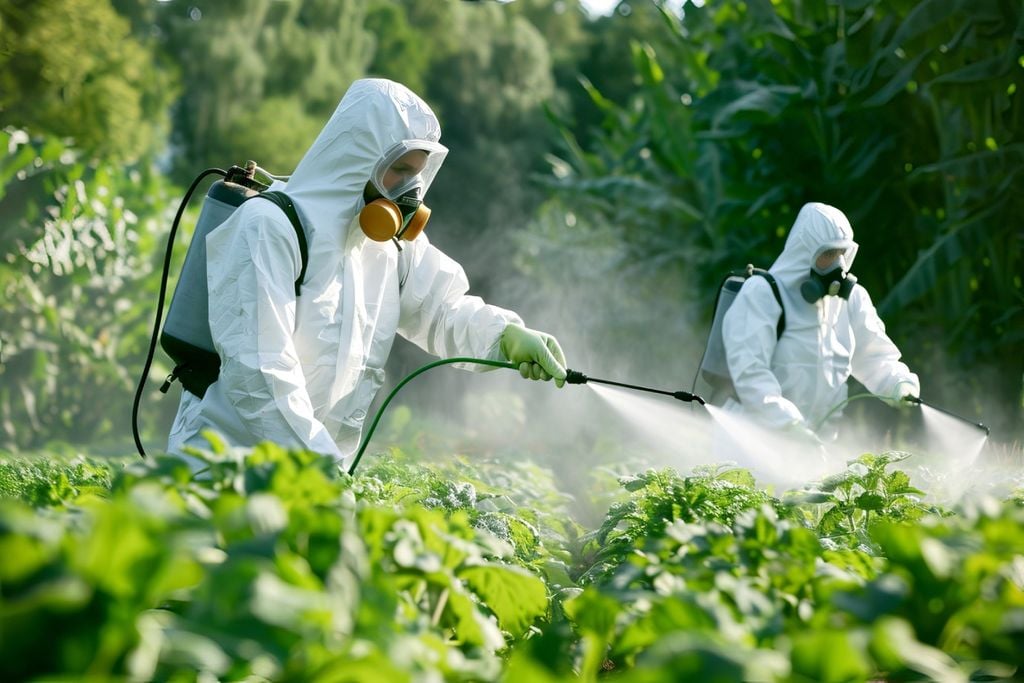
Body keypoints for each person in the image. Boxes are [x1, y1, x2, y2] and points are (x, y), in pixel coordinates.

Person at [167, 78, 567, 468]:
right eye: (400, 169)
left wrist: (505, 336)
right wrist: (318, 467)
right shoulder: (270, 225)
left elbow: (443, 311)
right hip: (224, 467)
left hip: (309, 474)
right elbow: (259, 370)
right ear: (359, 158)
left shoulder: (389, 247)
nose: (411, 190)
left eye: (418, 174)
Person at [721, 202, 919, 444]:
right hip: (750, 446)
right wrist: (788, 425)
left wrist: (899, 384)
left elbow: (875, 358)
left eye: (841, 253)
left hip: (813, 450)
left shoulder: (851, 300)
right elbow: (750, 372)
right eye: (828, 254)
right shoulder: (762, 294)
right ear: (804, 253)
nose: (838, 265)